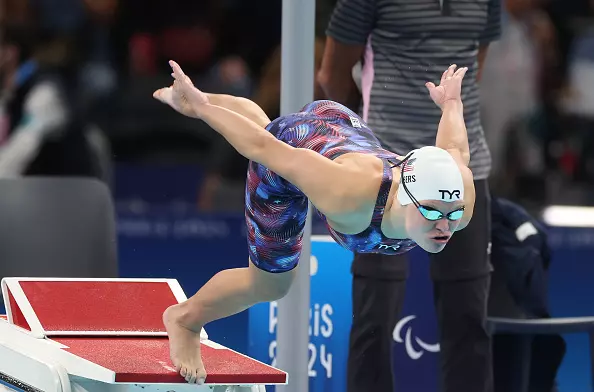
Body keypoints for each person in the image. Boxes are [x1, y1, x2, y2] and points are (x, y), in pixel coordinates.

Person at [153, 60, 474, 384]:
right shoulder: (350, 194)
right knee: (269, 284)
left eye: (452, 213)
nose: (445, 226)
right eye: (432, 212)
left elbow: (454, 150)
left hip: (342, 134)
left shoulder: (457, 195)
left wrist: (451, 105)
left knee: (273, 129)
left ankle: (199, 100)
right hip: (296, 159)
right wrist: (204, 110)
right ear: (406, 197)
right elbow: (263, 147)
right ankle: (184, 320)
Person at [318, 0, 501, 391]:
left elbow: (474, 66)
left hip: (463, 173)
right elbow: (332, 74)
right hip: (386, 176)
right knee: (375, 315)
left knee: (468, 313)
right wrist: (366, 144)